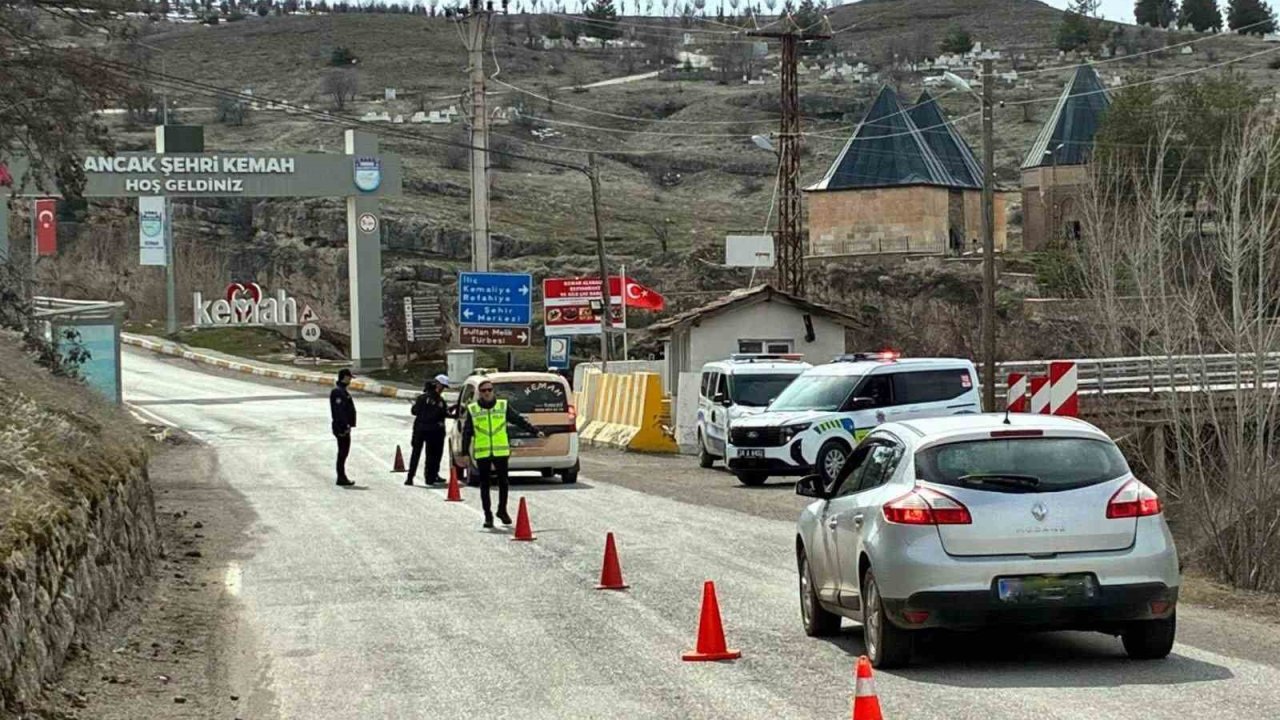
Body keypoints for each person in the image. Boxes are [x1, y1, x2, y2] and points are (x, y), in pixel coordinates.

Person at [458, 379, 543, 528]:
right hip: (483, 452)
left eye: (489, 390)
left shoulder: (502, 406)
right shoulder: (473, 409)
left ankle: (502, 510)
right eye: (483, 391)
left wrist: (535, 431)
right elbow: (467, 432)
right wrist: (465, 452)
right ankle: (488, 515)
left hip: (500, 451)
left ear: (493, 391)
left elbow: (518, 420)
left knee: (503, 482)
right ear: (479, 393)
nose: (487, 393)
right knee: (485, 485)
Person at [405, 373, 454, 487]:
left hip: (419, 430)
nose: (442, 389)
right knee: (431, 455)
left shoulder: (422, 398)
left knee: (416, 454)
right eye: (442, 386)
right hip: (433, 431)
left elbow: (414, 411)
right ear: (437, 384)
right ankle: (430, 478)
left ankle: (410, 478)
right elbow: (443, 413)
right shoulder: (439, 400)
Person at [330, 369, 357, 486]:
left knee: (344, 452)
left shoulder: (342, 391)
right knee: (342, 452)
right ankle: (341, 477)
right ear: (344, 377)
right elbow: (339, 411)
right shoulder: (338, 392)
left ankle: (342, 476)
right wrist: (344, 426)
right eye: (349, 378)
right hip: (341, 427)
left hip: (344, 426)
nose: (350, 380)